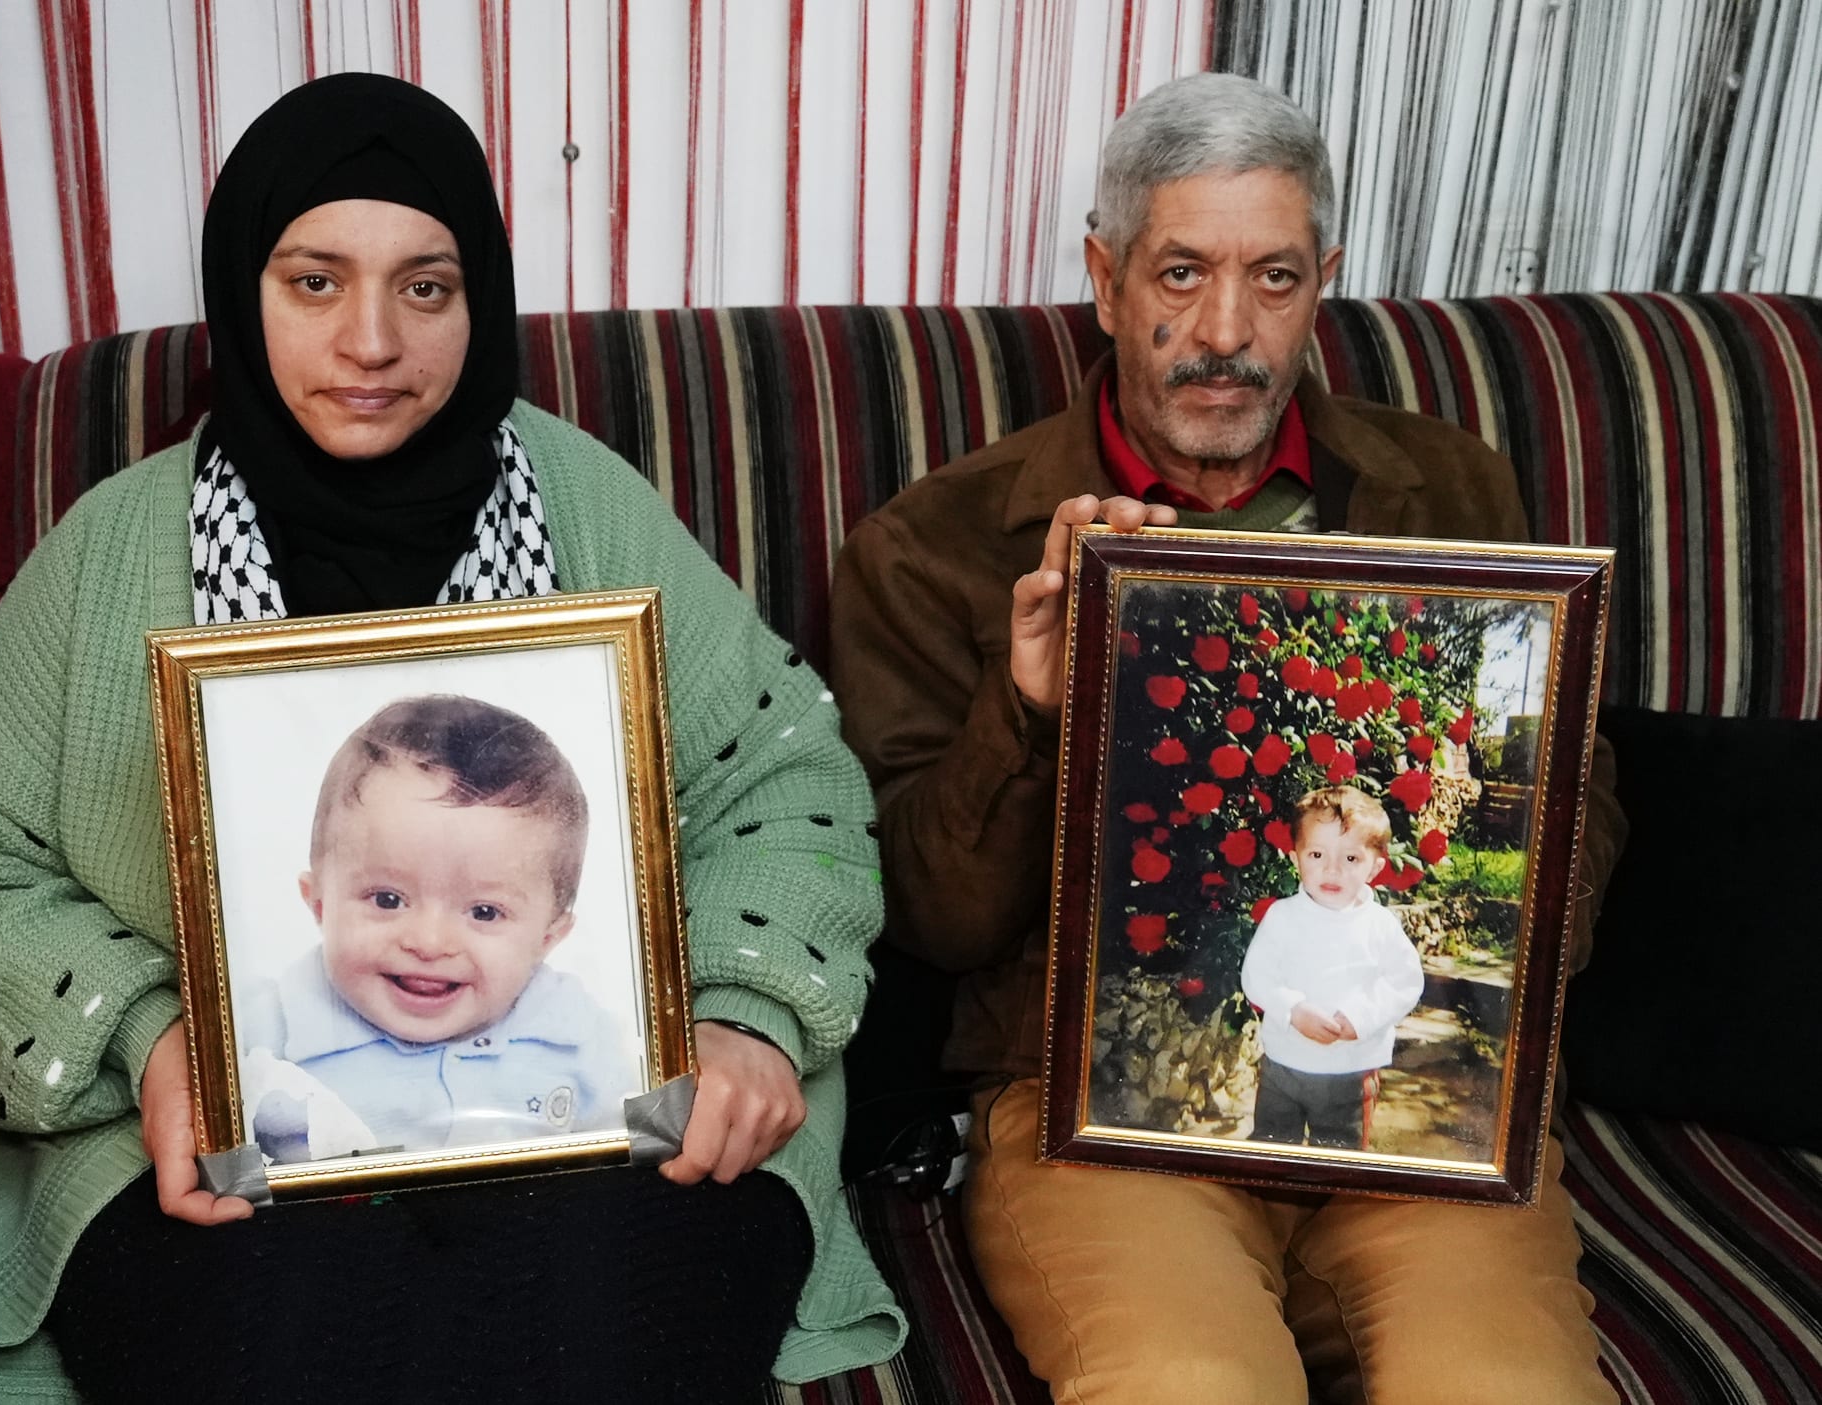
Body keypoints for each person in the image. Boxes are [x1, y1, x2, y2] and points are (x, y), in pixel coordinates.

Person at [0, 74, 902, 1404]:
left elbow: (787, 780)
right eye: (314, 282)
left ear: (481, 302)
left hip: (594, 1117)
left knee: (593, 1343)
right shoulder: (108, 550)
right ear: (242, 291)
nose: (370, 340)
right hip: (213, 1141)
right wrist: (154, 1039)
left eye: (425, 287)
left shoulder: (590, 506)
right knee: (282, 1354)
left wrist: (744, 1016)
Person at [831, 72, 1624, 1404]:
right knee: (1190, 1383)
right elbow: (931, 919)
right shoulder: (934, 547)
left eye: (1273, 279)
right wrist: (1027, 709)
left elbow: (1577, 797)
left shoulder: (1452, 493)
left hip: (1411, 1105)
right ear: (1104, 279)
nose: (1224, 332)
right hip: (1100, 1115)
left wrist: (1499, 933)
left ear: (1325, 284)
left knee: (1507, 1386)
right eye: (1181, 273)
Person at [238, 693, 634, 1164]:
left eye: (484, 912)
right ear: (319, 904)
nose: (428, 943)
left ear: (547, 938)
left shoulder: (582, 1042)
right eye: (387, 900)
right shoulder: (262, 1032)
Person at [1240, 787, 1423, 1150]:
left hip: (1349, 1073)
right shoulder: (1282, 917)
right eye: (1317, 854)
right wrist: (1292, 1009)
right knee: (1272, 1149)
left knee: (1340, 1155)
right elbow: (1256, 974)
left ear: (1375, 867)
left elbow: (1404, 983)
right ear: (1296, 858)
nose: (1332, 869)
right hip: (1283, 1068)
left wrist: (1361, 1017)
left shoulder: (1380, 926)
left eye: (1351, 858)